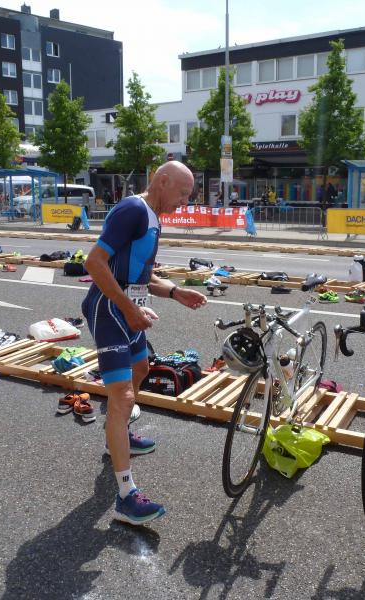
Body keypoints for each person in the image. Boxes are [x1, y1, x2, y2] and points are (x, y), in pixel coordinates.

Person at [83, 161, 206, 525]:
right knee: (122, 396)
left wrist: (175, 292)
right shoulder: (133, 210)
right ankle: (126, 495)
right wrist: (129, 310)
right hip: (109, 310)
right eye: (182, 194)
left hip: (129, 308)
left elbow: (140, 273)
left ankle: (117, 434)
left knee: (141, 368)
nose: (184, 202)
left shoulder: (153, 216)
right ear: (162, 181)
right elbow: (94, 263)